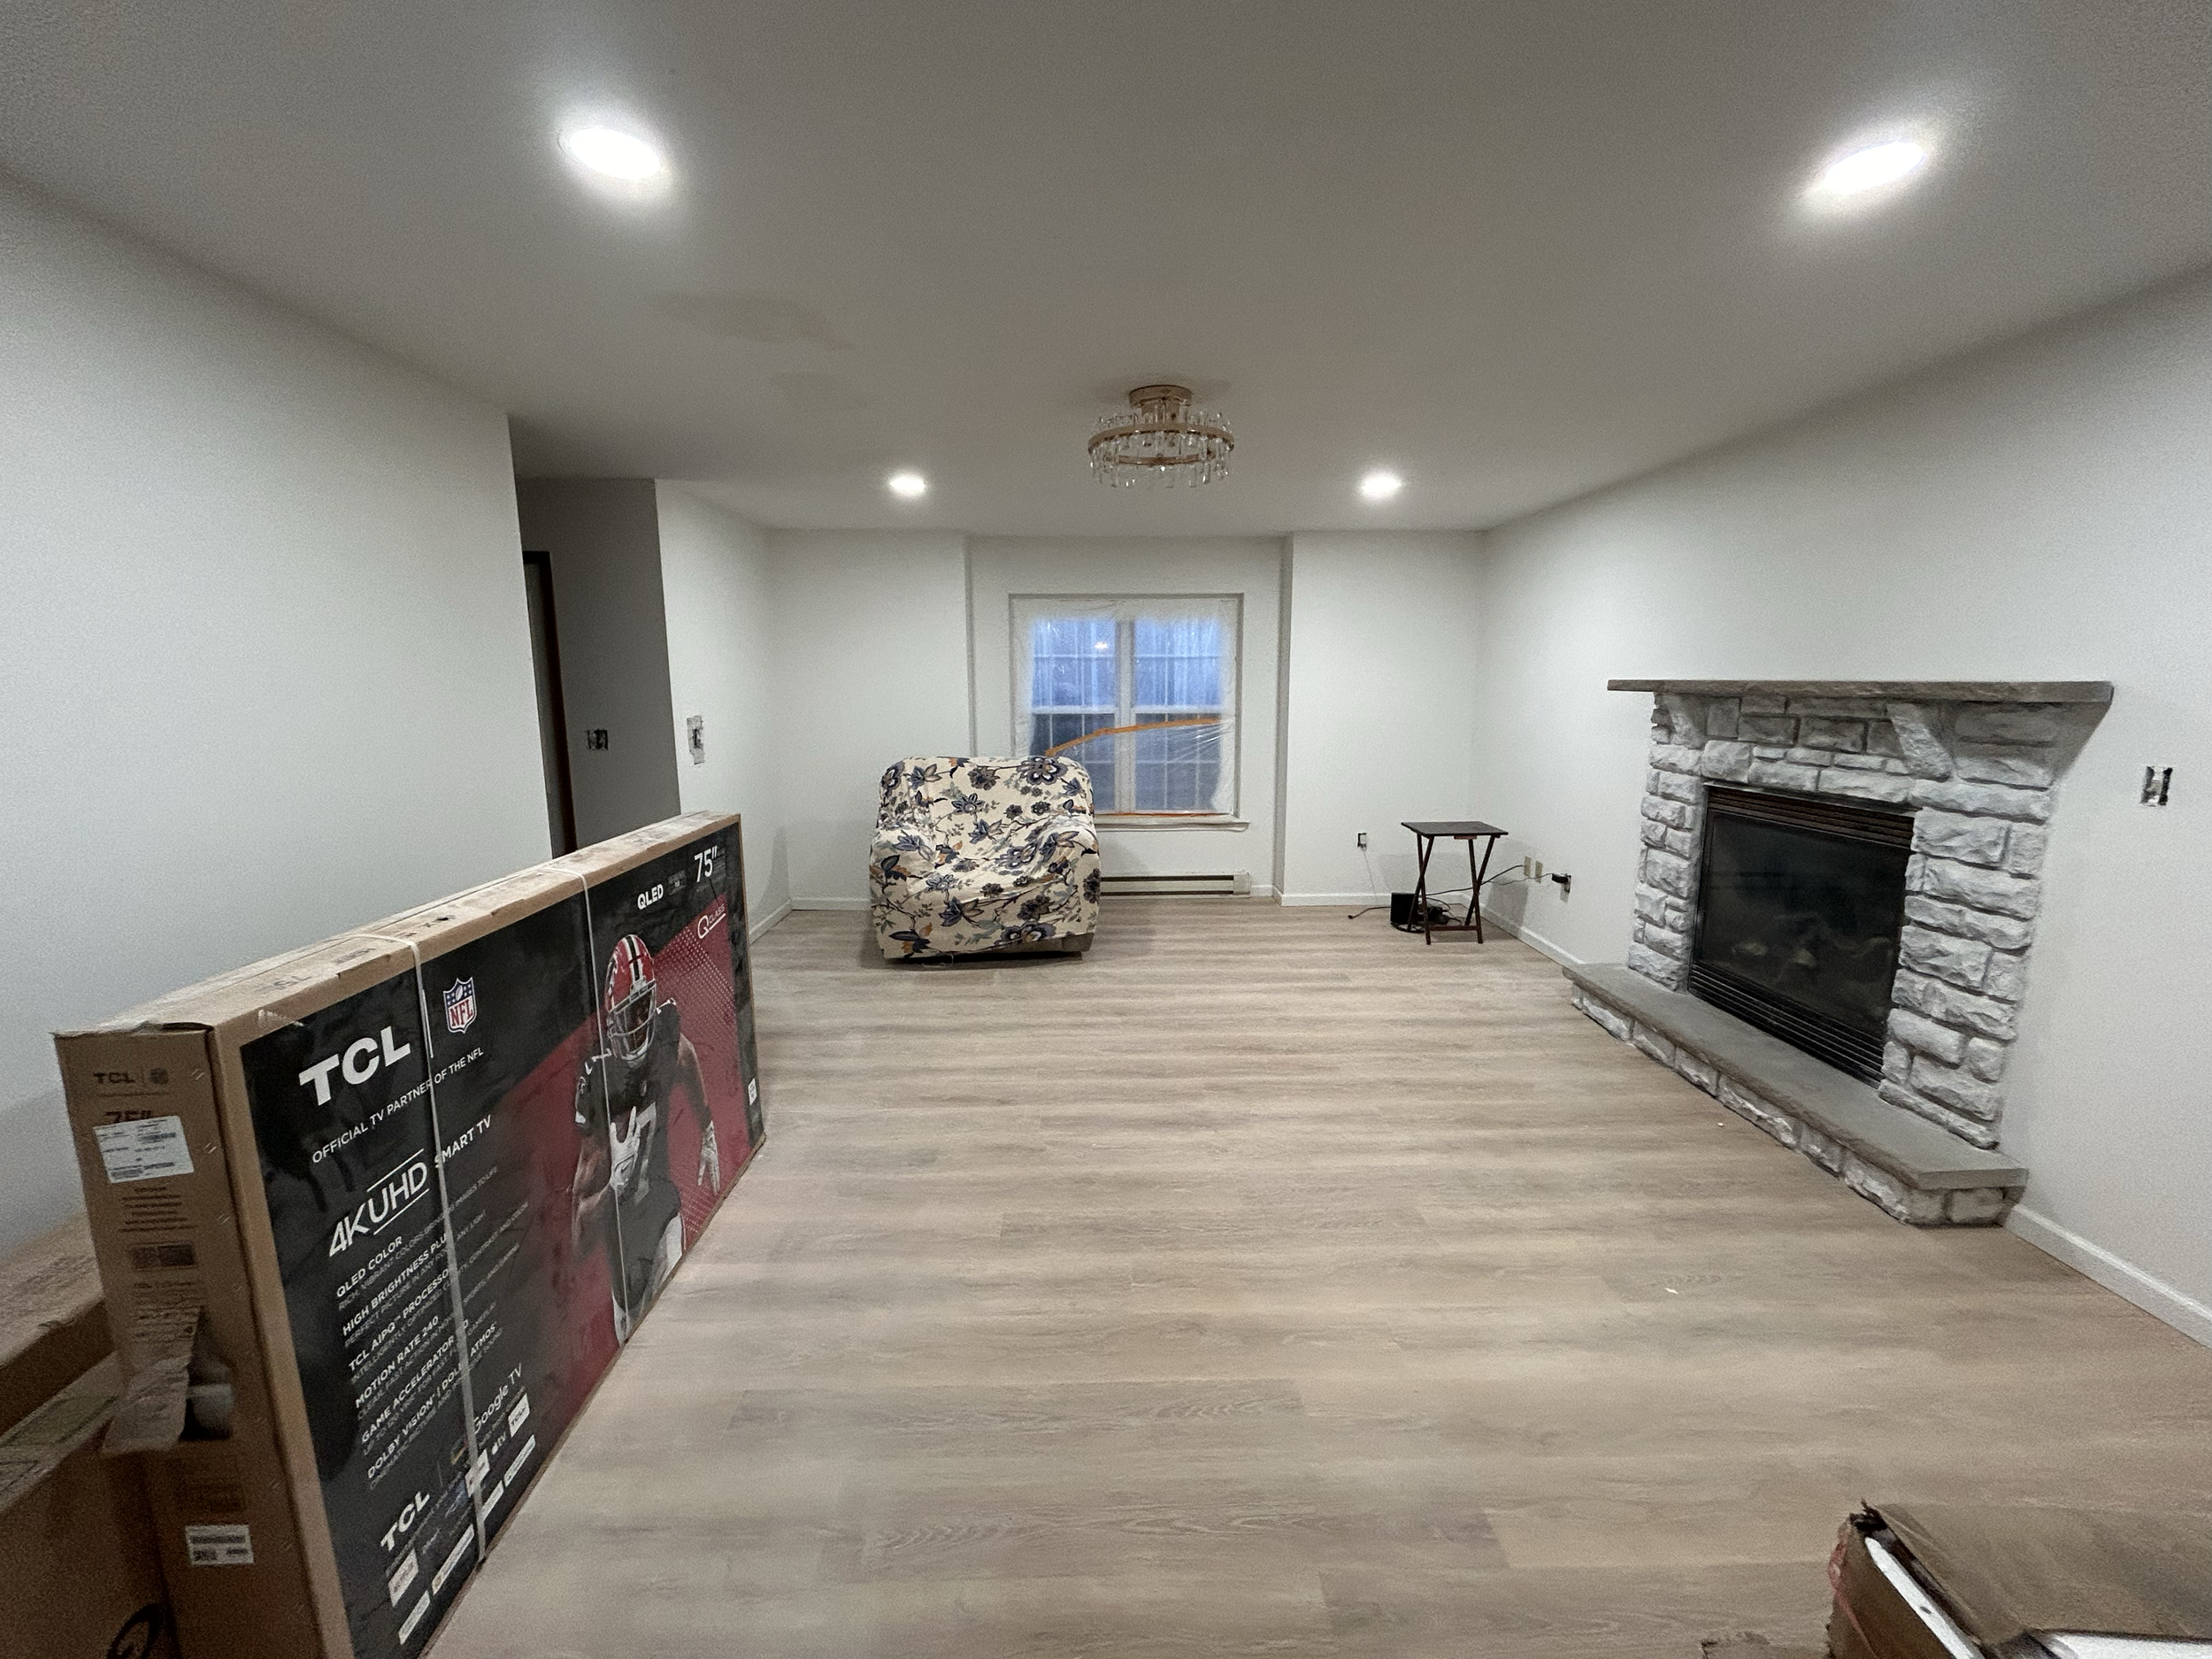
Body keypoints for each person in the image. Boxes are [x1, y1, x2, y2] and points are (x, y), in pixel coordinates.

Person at [570, 933, 718, 1340]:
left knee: (677, 1325)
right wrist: (612, 1190)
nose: (636, 1027)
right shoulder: (599, 1081)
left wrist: (706, 1127)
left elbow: (685, 1055)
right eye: (626, 1015)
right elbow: (579, 1236)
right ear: (610, 1019)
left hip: (664, 1210)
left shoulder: (667, 1035)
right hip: (622, 1261)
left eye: (641, 1011)